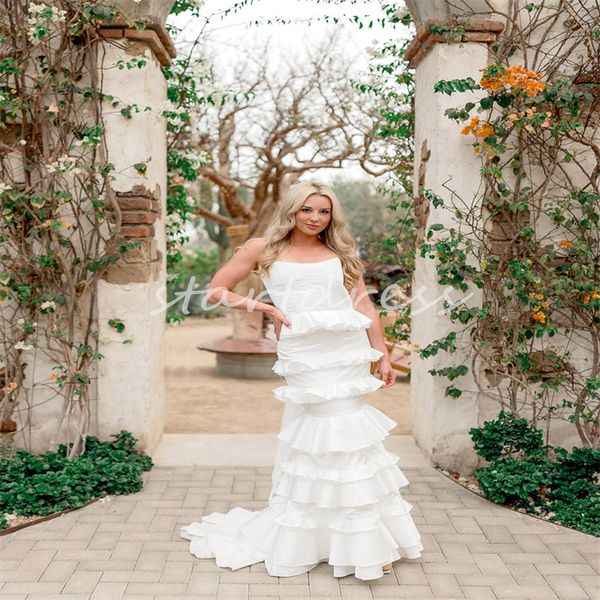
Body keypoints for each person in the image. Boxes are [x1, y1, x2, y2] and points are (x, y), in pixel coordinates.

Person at [180, 181, 423, 580]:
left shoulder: (341, 252)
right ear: (292, 211)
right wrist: (265, 307)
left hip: (344, 352)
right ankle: (333, 537)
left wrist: (381, 355)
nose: (315, 218)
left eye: (323, 212)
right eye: (307, 210)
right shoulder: (264, 248)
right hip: (306, 354)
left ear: (332, 216)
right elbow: (215, 291)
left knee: (347, 438)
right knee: (327, 434)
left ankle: (352, 537)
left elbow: (364, 306)